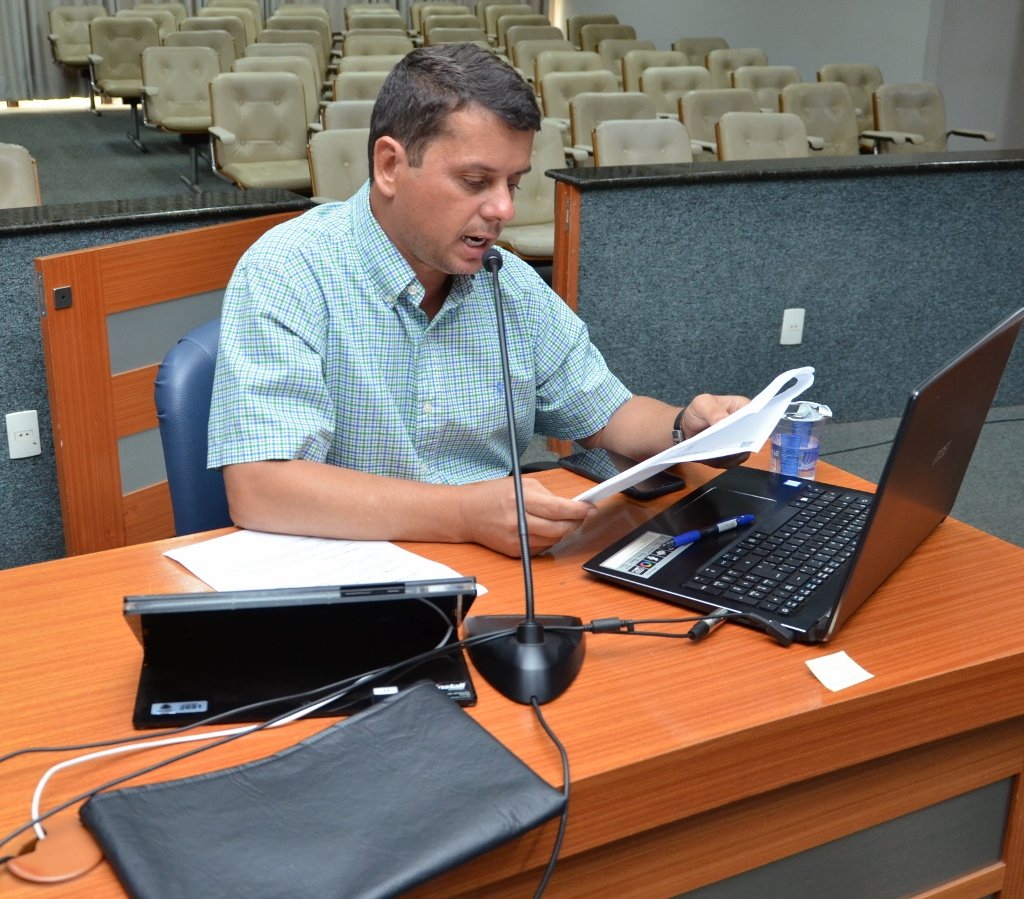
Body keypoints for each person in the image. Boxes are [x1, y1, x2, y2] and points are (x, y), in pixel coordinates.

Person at [208, 43, 747, 558]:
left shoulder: (506, 281)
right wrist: (465, 513)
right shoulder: (290, 269)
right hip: (353, 579)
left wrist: (686, 427)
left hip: (495, 564)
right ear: (390, 166)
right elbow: (261, 487)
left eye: (513, 182)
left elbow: (608, 413)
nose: (504, 209)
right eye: (475, 180)